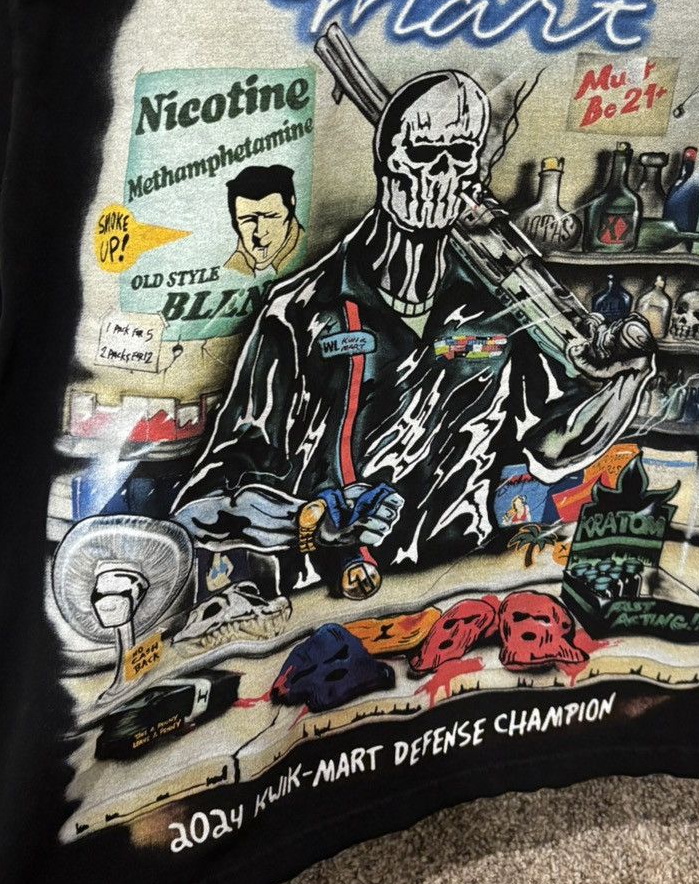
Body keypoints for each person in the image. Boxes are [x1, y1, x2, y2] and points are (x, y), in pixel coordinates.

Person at [174, 70, 655, 605]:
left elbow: (555, 447)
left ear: (475, 170)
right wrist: (308, 521)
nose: (440, 176)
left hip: (460, 595)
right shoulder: (299, 312)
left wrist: (625, 382)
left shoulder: (499, 310)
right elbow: (202, 504)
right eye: (424, 154)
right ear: (387, 163)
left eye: (460, 156)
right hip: (329, 601)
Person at [222, 163, 303, 278]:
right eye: (248, 219)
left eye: (271, 216)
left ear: (291, 203)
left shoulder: (309, 250)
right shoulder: (234, 266)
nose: (260, 233)